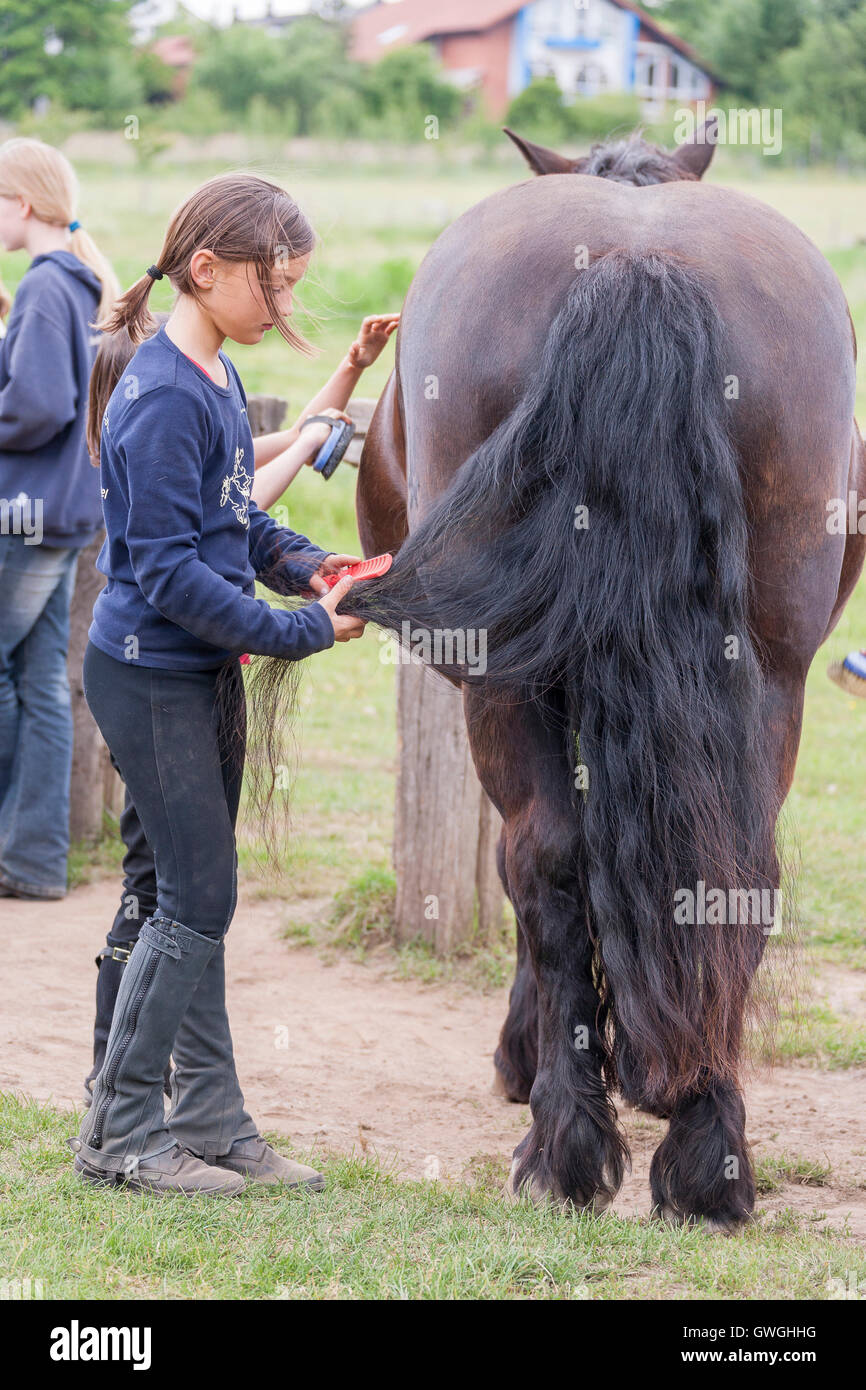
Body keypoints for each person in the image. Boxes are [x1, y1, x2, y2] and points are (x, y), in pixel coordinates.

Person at [69, 171, 379, 1196]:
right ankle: (119, 1136)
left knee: (179, 894)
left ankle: (205, 1120)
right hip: (151, 675)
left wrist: (311, 570)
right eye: (273, 285)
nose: (283, 305)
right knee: (197, 895)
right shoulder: (160, 396)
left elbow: (234, 524)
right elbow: (164, 572)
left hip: (195, 674)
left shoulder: (214, 380)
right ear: (205, 270)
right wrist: (297, 630)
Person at [0, 138, 119, 899]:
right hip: (62, 516)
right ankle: (33, 860)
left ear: (21, 204)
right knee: (39, 678)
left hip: (23, 519)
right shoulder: (76, 284)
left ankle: (22, 851)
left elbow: (39, 405)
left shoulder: (47, 285)